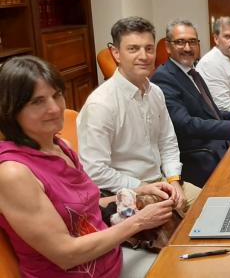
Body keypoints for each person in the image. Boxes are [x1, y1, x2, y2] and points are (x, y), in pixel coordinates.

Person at [0, 56, 176, 277]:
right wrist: (139, 221)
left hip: (110, 259)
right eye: (38, 101)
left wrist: (136, 191)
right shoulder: (13, 173)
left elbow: (83, 208)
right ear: (11, 110)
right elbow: (65, 254)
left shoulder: (60, 145)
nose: (54, 108)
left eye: (57, 95)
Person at [78, 16, 200, 211]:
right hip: (124, 192)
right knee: (186, 229)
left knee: (213, 207)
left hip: (161, 182)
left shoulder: (155, 92)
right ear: (116, 53)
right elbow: (94, 171)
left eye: (149, 48)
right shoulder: (101, 105)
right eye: (133, 49)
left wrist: (174, 180)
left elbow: (167, 141)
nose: (144, 56)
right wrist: (141, 187)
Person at [151, 19, 230, 187]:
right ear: (168, 46)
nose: (188, 48)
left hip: (216, 143)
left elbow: (211, 111)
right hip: (200, 155)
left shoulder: (191, 72)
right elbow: (186, 125)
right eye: (180, 42)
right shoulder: (164, 77)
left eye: (192, 42)